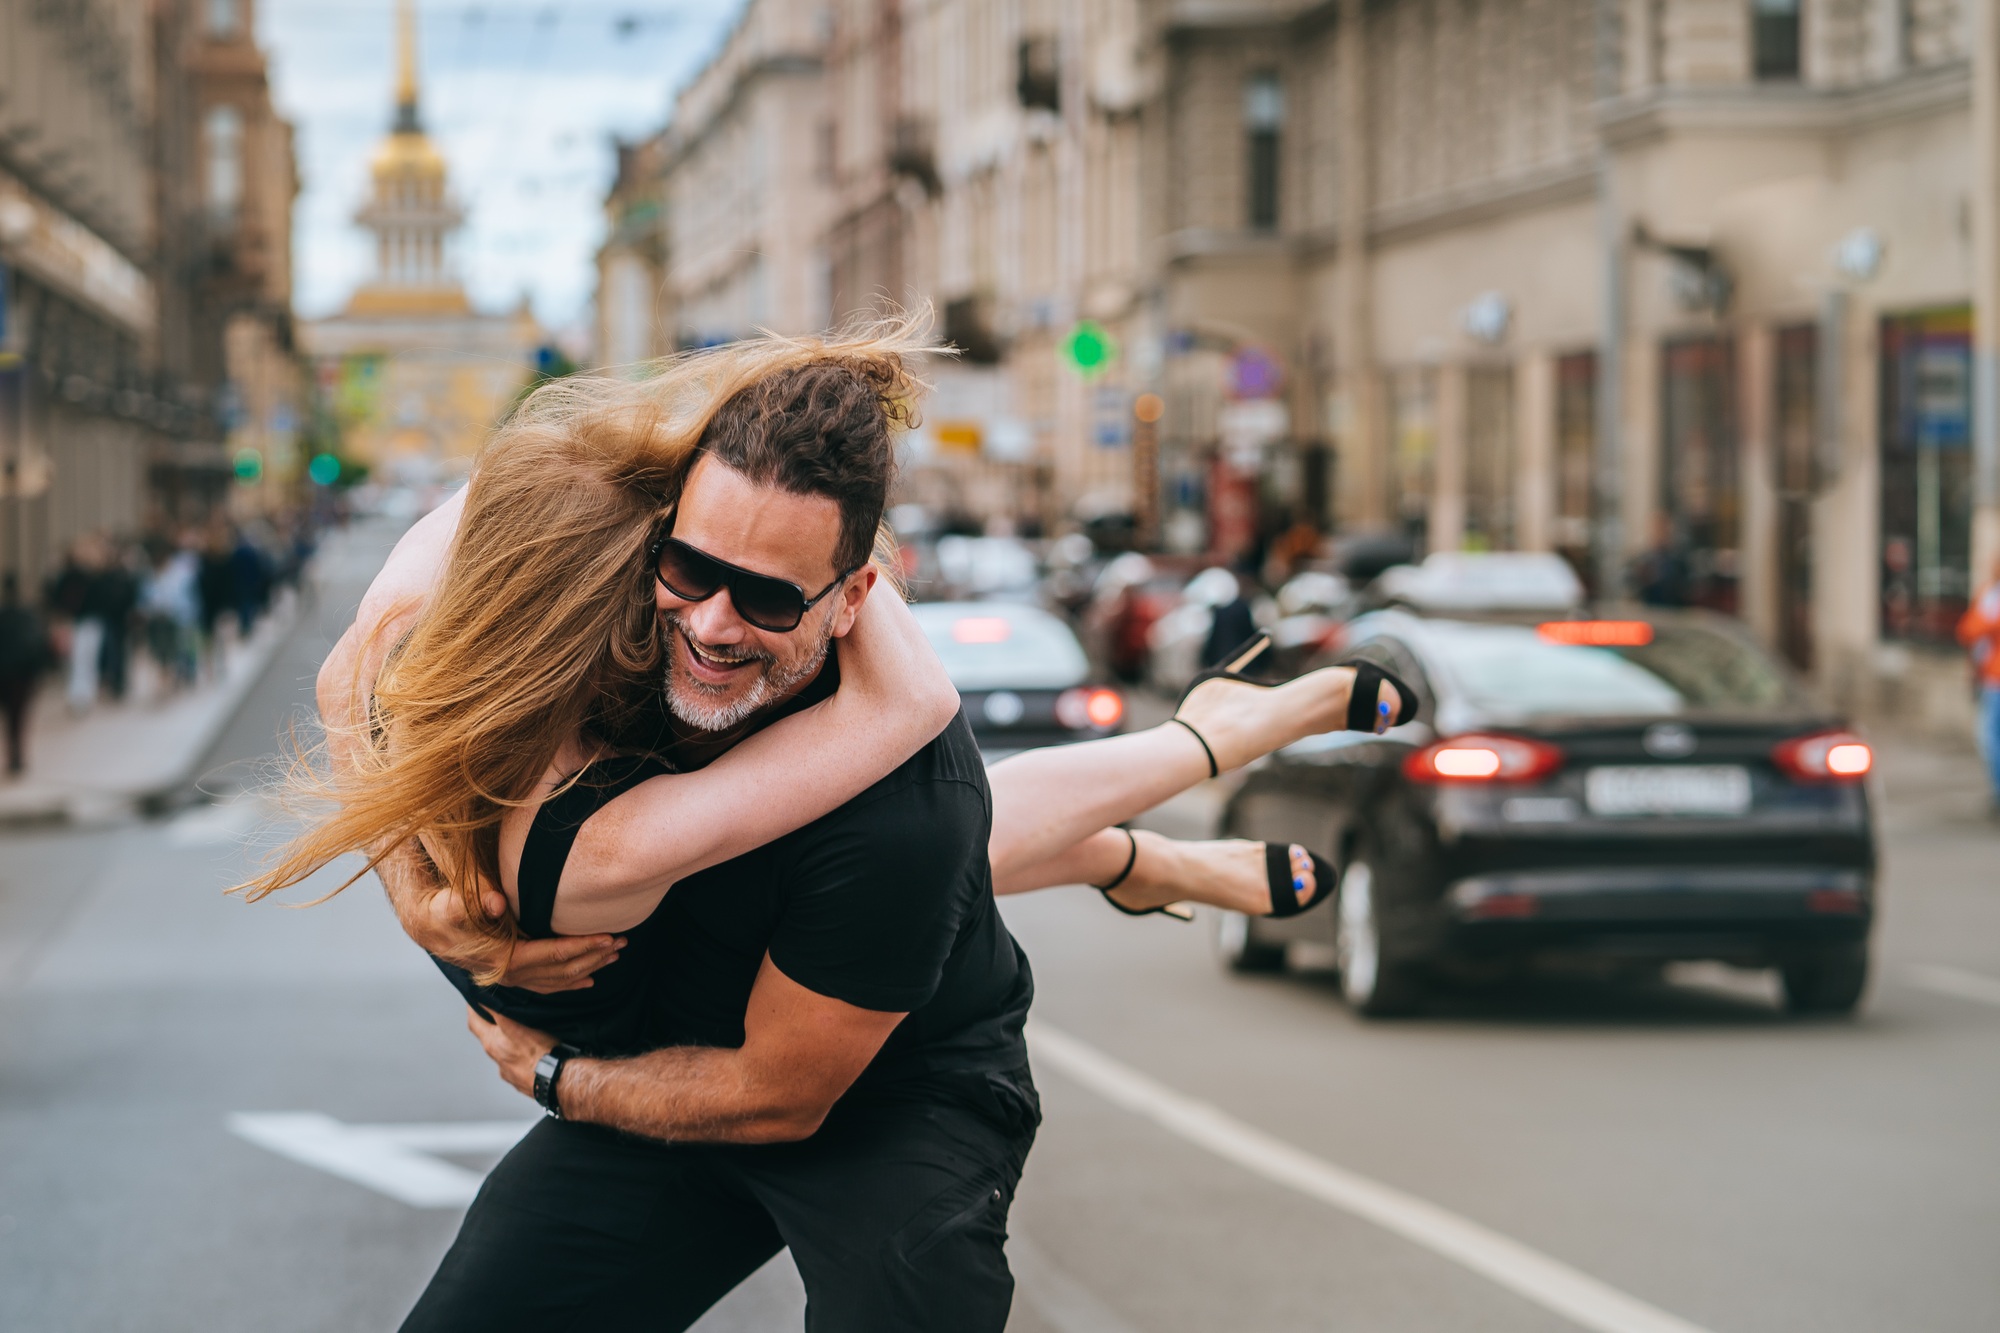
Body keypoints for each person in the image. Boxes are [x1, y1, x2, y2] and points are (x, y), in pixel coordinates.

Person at [246, 325, 1403, 1331]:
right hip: (677, 1032)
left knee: (937, 866)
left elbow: (779, 1090)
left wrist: (555, 1076)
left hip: (878, 1088)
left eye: (766, 595)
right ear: (655, 532)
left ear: (852, 597)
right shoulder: (559, 611)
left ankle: (1188, 765)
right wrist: (417, 893)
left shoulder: (895, 802)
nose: (708, 623)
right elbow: (363, 665)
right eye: (688, 568)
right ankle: (1135, 849)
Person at [0, 573, 54, 777]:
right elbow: (39, 646)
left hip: (6, 673)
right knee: (17, 719)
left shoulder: (7, 615)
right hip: (22, 677)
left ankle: (15, 756)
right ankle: (17, 756)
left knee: (11, 718)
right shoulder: (29, 616)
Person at [1957, 555, 2000, 808]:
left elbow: (1975, 627)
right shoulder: (1989, 594)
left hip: (1996, 679)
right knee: (1988, 737)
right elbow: (1967, 630)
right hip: (1989, 678)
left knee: (1990, 736)